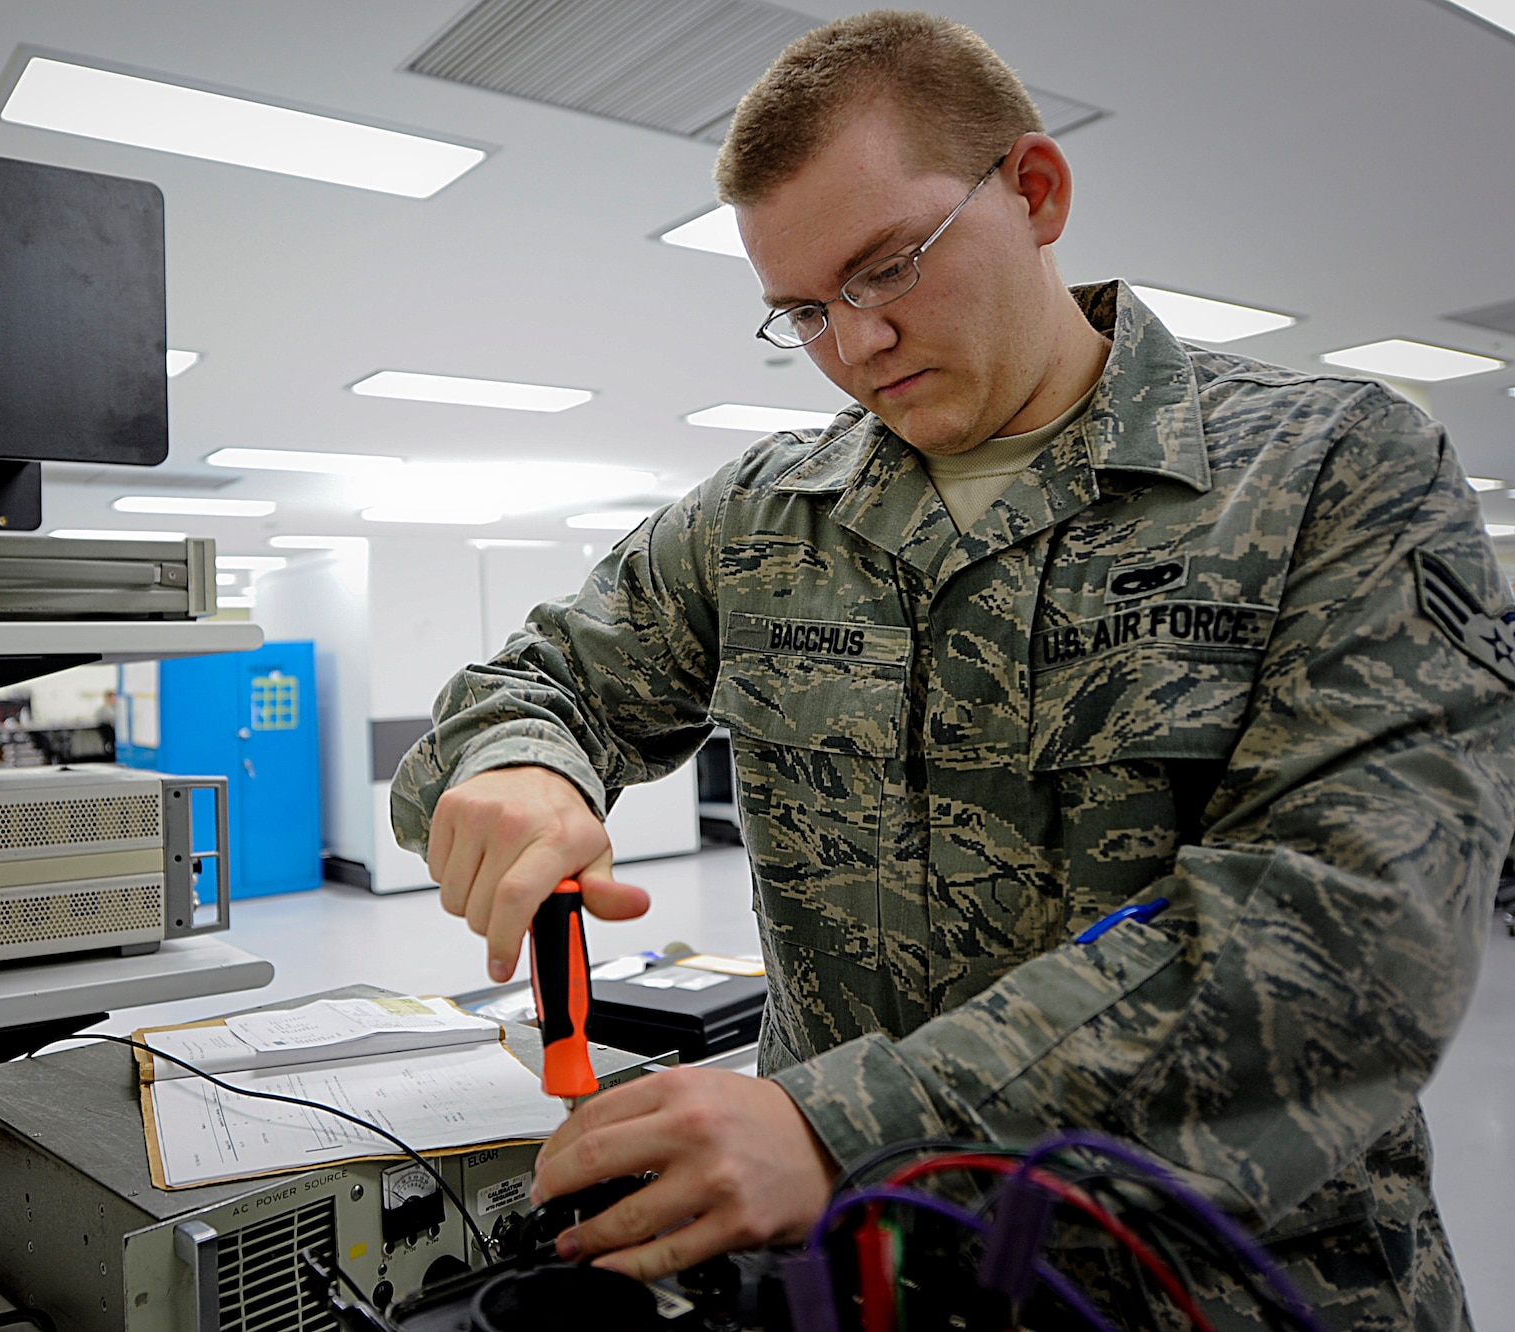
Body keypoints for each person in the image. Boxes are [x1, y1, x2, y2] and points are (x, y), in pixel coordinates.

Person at [390, 11, 1513, 1329]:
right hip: (863, 1285)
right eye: (802, 310)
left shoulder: (1331, 467)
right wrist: (519, 761)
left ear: (1035, 192)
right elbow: (543, 680)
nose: (853, 344)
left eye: (885, 269)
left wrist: (841, 1127)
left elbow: (1348, 930)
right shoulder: (762, 517)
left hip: (1218, 1282)